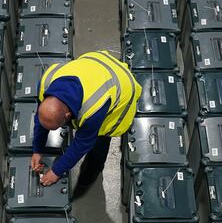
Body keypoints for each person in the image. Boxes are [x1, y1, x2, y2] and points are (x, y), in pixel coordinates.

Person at [30, 50, 142, 198]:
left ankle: (91, 174)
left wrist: (57, 171)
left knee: (99, 141)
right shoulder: (46, 84)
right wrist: (37, 150)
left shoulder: (94, 108)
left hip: (121, 84)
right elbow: (40, 119)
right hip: (94, 64)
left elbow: (82, 144)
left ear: (68, 115)